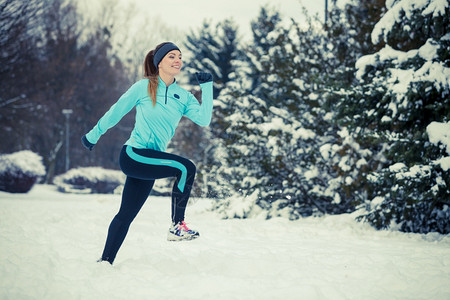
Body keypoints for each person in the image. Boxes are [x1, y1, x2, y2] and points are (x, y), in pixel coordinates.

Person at [81, 42, 213, 265]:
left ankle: (105, 262)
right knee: (186, 167)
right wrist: (93, 136)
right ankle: (177, 225)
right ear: (159, 61)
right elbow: (116, 112)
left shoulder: (184, 96)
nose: (178, 60)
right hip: (134, 154)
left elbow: (204, 119)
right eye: (172, 56)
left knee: (125, 216)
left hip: (150, 163)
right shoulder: (143, 88)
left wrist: (207, 87)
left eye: (180, 57)